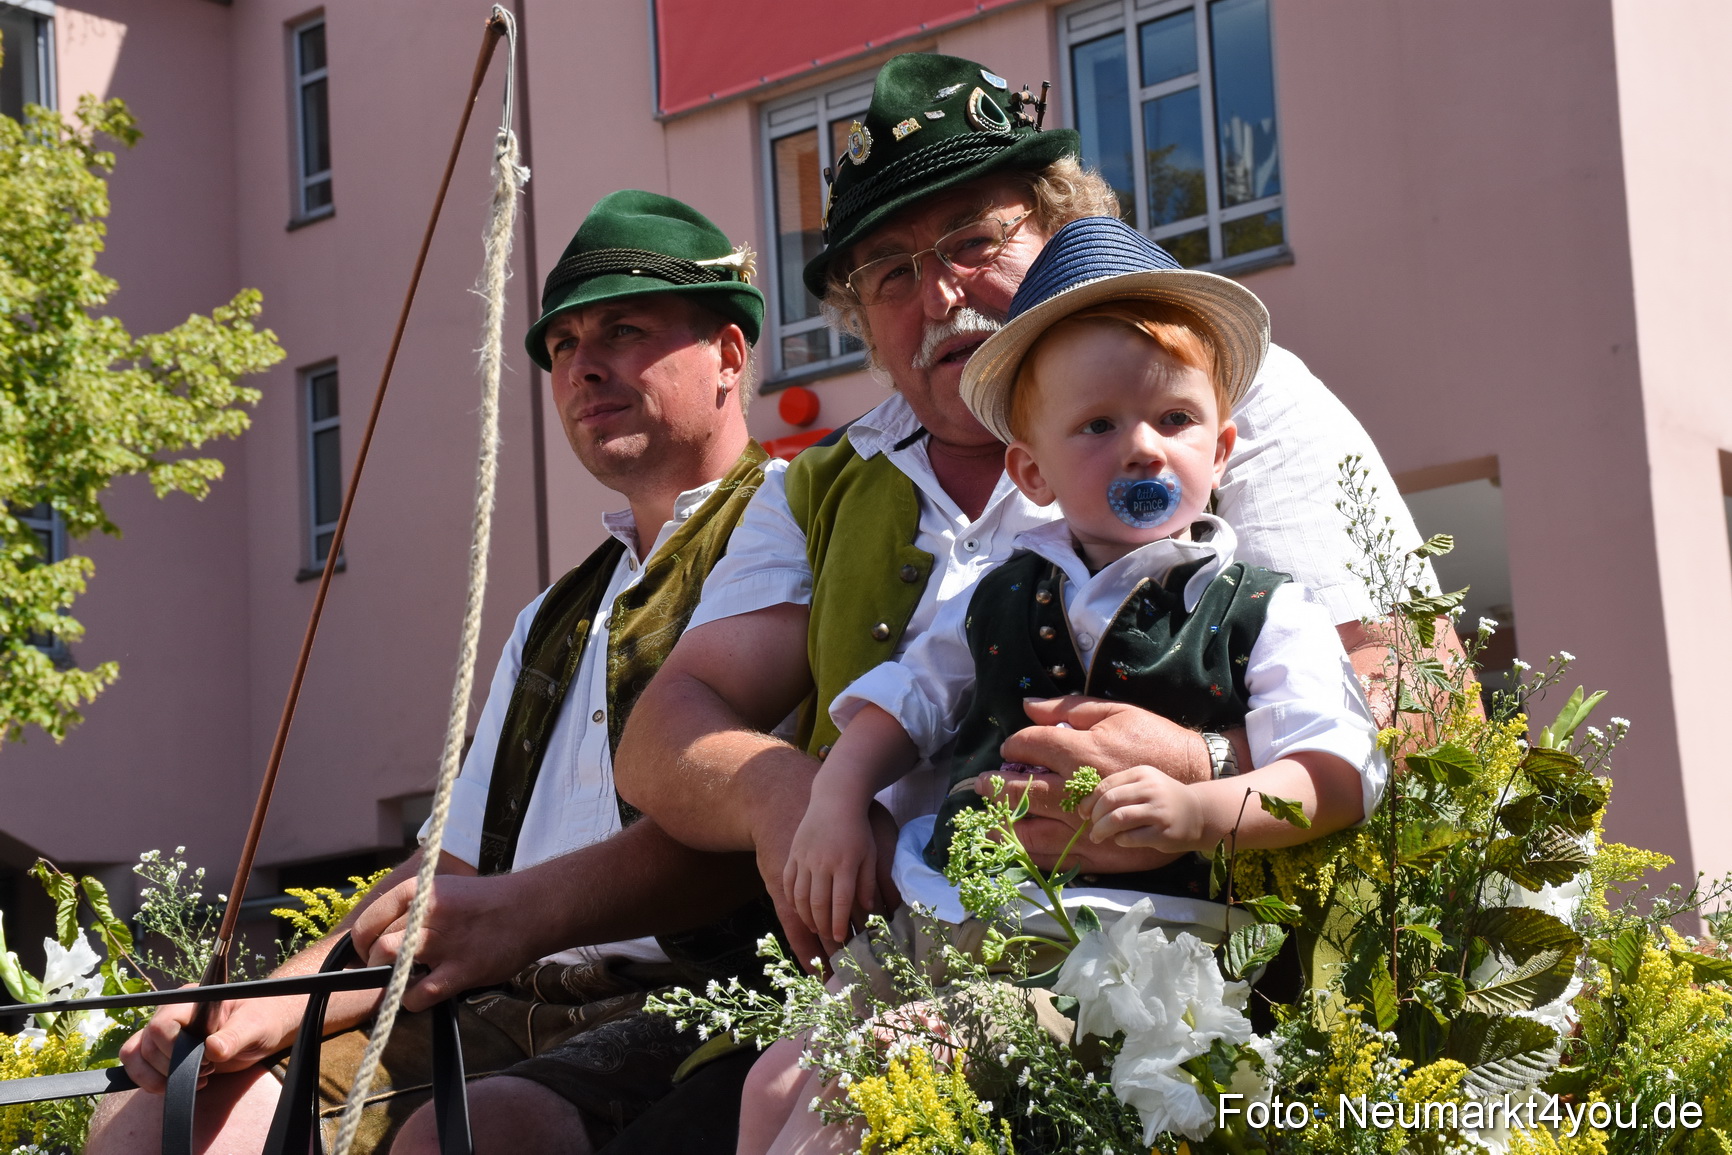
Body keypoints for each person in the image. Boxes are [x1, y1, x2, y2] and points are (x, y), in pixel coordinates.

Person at [614, 52, 1430, 974]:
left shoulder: (1224, 390)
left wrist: (1199, 768)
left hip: (1207, 969)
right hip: (911, 953)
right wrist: (807, 797)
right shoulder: (811, 481)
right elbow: (658, 739)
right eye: (889, 272)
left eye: (974, 239)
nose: (941, 295)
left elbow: (1416, 694)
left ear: (1060, 229)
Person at [87, 191, 778, 1155]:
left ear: (731, 354)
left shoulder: (795, 528)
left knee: (473, 1134)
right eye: (565, 344)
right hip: (499, 1000)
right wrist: (267, 1005)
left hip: (704, 998)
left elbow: (751, 835)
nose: (585, 364)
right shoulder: (554, 616)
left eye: (624, 329)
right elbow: (444, 879)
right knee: (161, 1123)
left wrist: (516, 917)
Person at [747, 215, 1388, 1153]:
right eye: (1099, 425)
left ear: (1222, 448)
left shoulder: (1258, 606)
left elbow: (1338, 766)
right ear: (1032, 470)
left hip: (1127, 950)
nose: (1141, 447)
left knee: (887, 1073)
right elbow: (910, 696)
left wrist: (1205, 806)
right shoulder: (999, 587)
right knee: (776, 1080)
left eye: (1174, 420)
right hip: (954, 914)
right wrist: (837, 793)